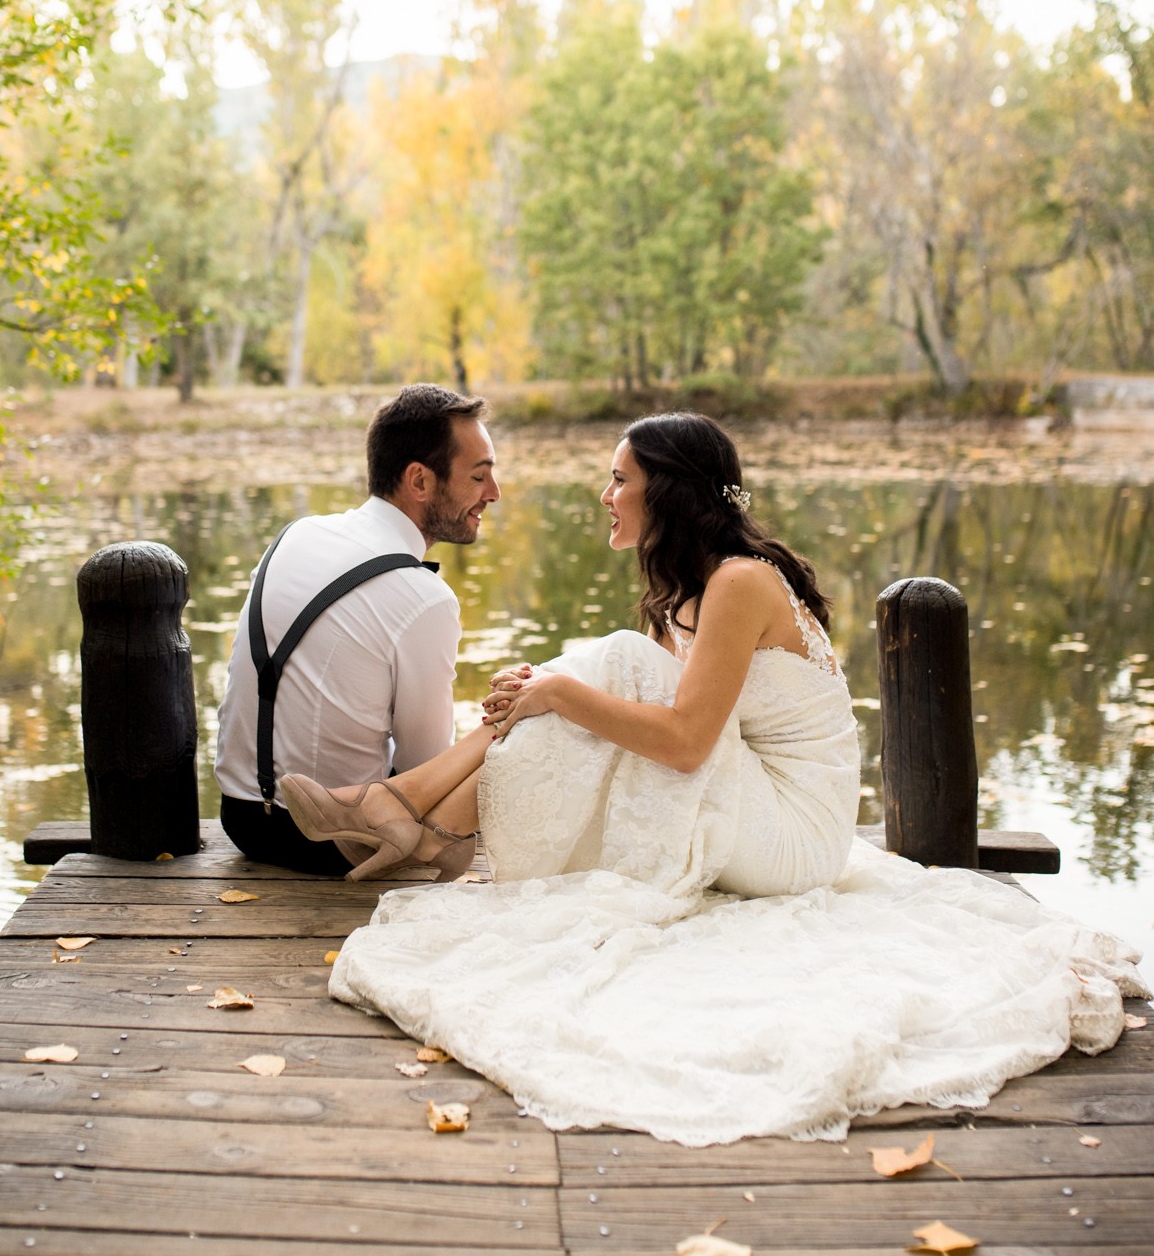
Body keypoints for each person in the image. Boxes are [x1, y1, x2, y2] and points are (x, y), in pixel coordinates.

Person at [282, 412, 1147, 1146]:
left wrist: (559, 690)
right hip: (748, 802)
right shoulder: (690, 591)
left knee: (599, 672)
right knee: (591, 680)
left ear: (666, 491)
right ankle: (419, 817)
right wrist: (546, 692)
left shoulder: (739, 583)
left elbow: (686, 744)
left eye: (618, 479)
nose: (605, 495)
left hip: (795, 832)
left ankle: (414, 813)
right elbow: (638, 726)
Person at [213, 383, 499, 874]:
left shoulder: (295, 535)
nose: (493, 493)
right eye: (478, 477)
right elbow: (426, 766)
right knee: (534, 711)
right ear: (419, 480)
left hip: (241, 819)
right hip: (333, 843)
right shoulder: (422, 597)